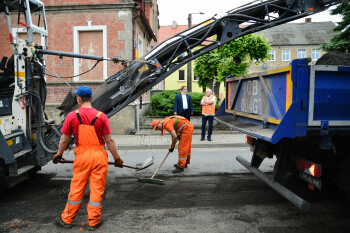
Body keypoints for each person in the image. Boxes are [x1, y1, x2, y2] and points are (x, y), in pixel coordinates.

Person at [52, 85, 124, 231]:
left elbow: (64, 140)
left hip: (82, 157)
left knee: (77, 188)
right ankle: (93, 222)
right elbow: (109, 141)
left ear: (78, 99)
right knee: (97, 189)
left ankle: (67, 220)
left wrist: (59, 154)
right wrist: (117, 158)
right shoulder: (101, 116)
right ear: (90, 98)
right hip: (98, 156)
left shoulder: (72, 116)